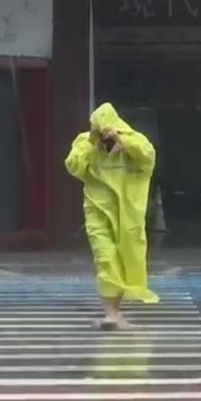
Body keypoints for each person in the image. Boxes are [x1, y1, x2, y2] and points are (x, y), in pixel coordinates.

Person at [64, 103, 159, 330]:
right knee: (105, 258)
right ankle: (111, 314)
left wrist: (122, 140)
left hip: (127, 213)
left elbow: (148, 158)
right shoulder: (85, 142)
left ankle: (116, 312)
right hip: (97, 211)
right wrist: (90, 144)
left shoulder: (134, 141)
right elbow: (73, 166)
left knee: (125, 260)